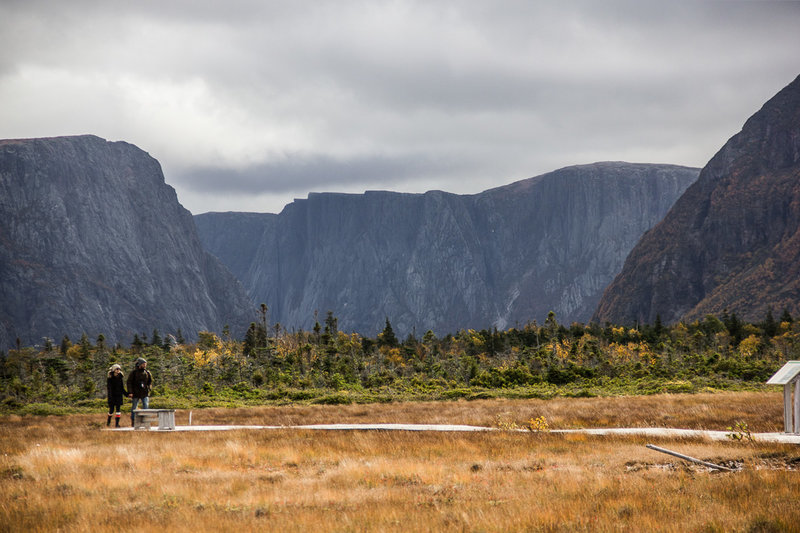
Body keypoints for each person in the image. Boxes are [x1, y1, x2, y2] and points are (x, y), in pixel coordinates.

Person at [126, 357, 153, 427]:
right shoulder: (133, 373)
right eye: (144, 364)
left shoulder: (147, 373)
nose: (145, 365)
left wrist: (149, 388)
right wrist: (130, 392)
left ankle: (146, 421)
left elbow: (150, 381)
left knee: (146, 407)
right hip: (135, 393)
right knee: (134, 408)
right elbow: (129, 382)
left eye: (145, 364)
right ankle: (133, 421)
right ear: (140, 364)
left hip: (145, 393)